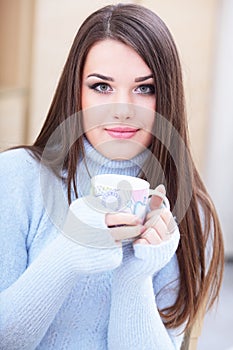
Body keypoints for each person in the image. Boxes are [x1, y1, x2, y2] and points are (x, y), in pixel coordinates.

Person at [0, 3, 224, 350]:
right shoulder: (16, 179)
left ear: (166, 96)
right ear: (76, 92)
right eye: (102, 86)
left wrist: (137, 274)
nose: (122, 108)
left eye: (144, 88)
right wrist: (69, 252)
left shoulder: (189, 212)